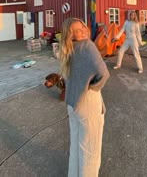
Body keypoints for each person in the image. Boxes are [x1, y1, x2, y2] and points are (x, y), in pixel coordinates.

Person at [60, 17, 110, 177]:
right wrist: (93, 87)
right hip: (88, 102)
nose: (81, 32)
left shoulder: (67, 49)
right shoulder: (87, 46)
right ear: (70, 34)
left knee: (76, 145)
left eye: (82, 28)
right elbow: (103, 74)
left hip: (73, 104)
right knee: (90, 150)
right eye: (76, 31)